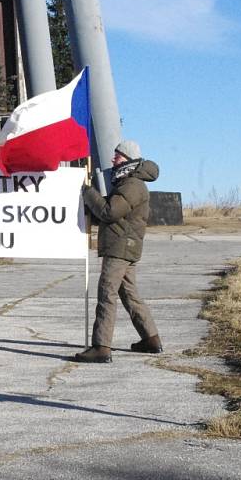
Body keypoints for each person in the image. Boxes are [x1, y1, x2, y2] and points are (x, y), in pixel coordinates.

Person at [74, 140, 163, 363]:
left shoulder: (132, 184)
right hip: (125, 246)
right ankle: (151, 339)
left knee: (107, 294)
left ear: (129, 159)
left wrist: (87, 192)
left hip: (120, 248)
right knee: (129, 295)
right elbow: (111, 213)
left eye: (118, 156)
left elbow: (110, 212)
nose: (114, 159)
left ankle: (101, 347)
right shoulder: (128, 182)